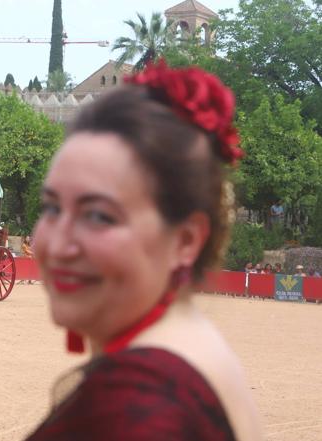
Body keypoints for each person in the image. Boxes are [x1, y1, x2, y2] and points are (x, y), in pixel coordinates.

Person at [27, 62, 261, 440]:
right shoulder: (193, 350)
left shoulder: (136, 408)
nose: (57, 245)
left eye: (100, 216)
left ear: (185, 241)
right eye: (52, 208)